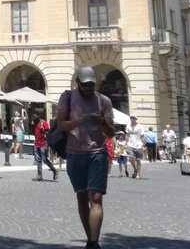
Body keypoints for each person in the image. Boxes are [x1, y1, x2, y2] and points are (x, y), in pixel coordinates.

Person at [56, 66, 115, 249]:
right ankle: (90, 238)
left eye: (91, 85)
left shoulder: (104, 101)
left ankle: (93, 243)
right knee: (82, 197)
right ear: (78, 82)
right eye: (85, 85)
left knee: (96, 197)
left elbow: (111, 133)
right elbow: (61, 126)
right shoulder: (67, 97)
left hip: (97, 153)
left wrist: (103, 122)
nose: (88, 88)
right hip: (75, 154)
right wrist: (80, 121)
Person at [31, 112, 58, 181]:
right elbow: (34, 132)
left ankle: (54, 170)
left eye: (35, 120)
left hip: (43, 144)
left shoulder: (44, 123)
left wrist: (47, 143)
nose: (34, 121)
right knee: (38, 160)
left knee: (44, 159)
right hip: (37, 144)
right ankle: (39, 175)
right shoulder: (35, 123)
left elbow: (48, 133)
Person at [125, 115, 145, 179]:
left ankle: (138, 174)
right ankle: (135, 169)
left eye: (133, 118)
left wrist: (143, 145)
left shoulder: (140, 126)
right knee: (130, 158)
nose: (132, 119)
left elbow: (142, 136)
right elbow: (127, 135)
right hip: (130, 144)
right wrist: (126, 143)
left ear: (136, 119)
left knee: (138, 160)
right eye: (131, 118)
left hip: (138, 144)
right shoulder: (128, 125)